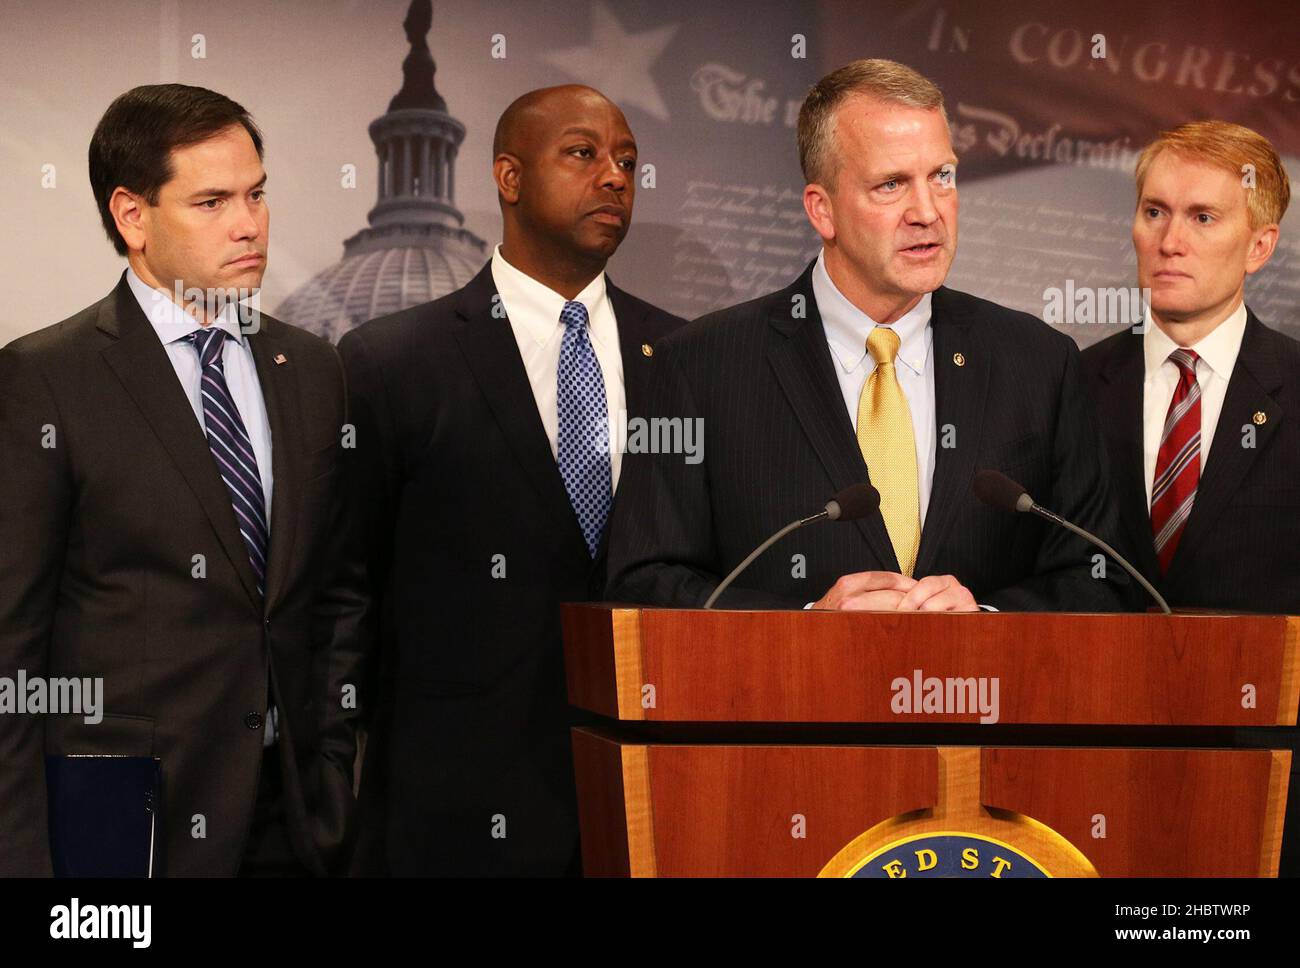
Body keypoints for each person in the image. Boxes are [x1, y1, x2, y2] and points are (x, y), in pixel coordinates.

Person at [0, 84, 368, 876]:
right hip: (118, 827)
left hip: (291, 821)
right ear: (132, 216)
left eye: (257, 194)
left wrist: (330, 773)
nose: (249, 224)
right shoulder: (45, 379)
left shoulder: (310, 369)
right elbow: (11, 645)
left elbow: (335, 594)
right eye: (211, 202)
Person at [607, 59, 1127, 613]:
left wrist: (988, 623)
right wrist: (807, 627)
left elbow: (1097, 578)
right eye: (891, 185)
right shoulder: (699, 366)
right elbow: (644, 582)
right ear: (822, 210)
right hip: (785, 699)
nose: (927, 212)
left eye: (942, 177)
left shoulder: (1039, 362)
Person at [340, 85, 684, 875]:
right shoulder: (393, 363)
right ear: (508, 176)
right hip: (449, 815)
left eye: (628, 160)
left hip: (646, 800)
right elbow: (345, 594)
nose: (615, 176)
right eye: (582, 153)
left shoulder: (687, 359)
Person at [1080, 120, 1298, 876]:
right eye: (1154, 212)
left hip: (1269, 786)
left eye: (1203, 217)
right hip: (1089, 776)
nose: (1170, 239)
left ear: (1260, 245)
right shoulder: (1066, 388)